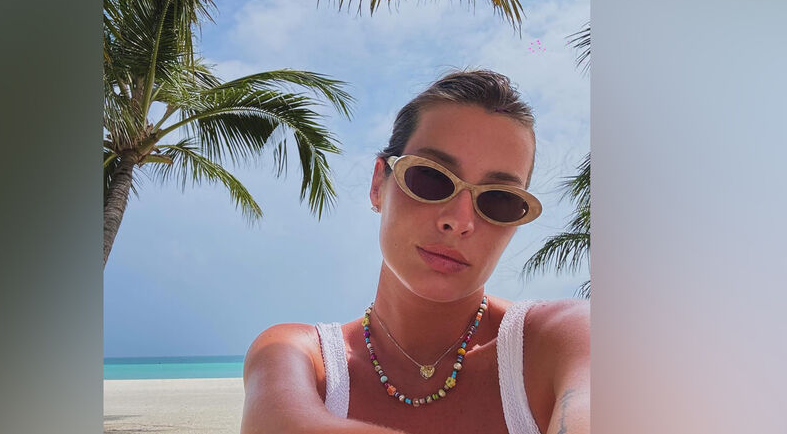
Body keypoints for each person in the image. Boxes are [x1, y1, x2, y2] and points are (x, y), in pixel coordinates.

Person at [241, 70, 590, 434]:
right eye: (431, 177)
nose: (459, 221)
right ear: (378, 184)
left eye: (499, 200)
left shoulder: (565, 340)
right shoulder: (298, 356)